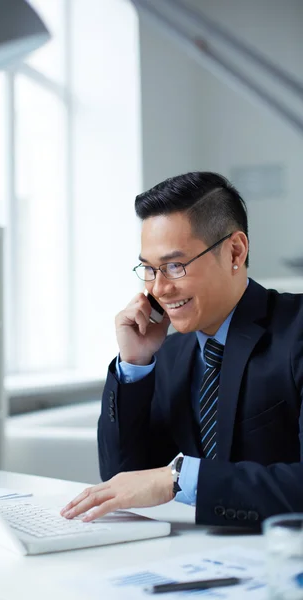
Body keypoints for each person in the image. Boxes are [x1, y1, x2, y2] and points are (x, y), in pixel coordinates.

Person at [60, 171, 303, 528]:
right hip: (198, 557)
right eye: (148, 269)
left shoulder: (295, 331)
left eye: (175, 266)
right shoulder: (171, 354)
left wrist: (180, 478)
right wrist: (135, 363)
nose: (159, 288)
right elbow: (121, 479)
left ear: (235, 251)